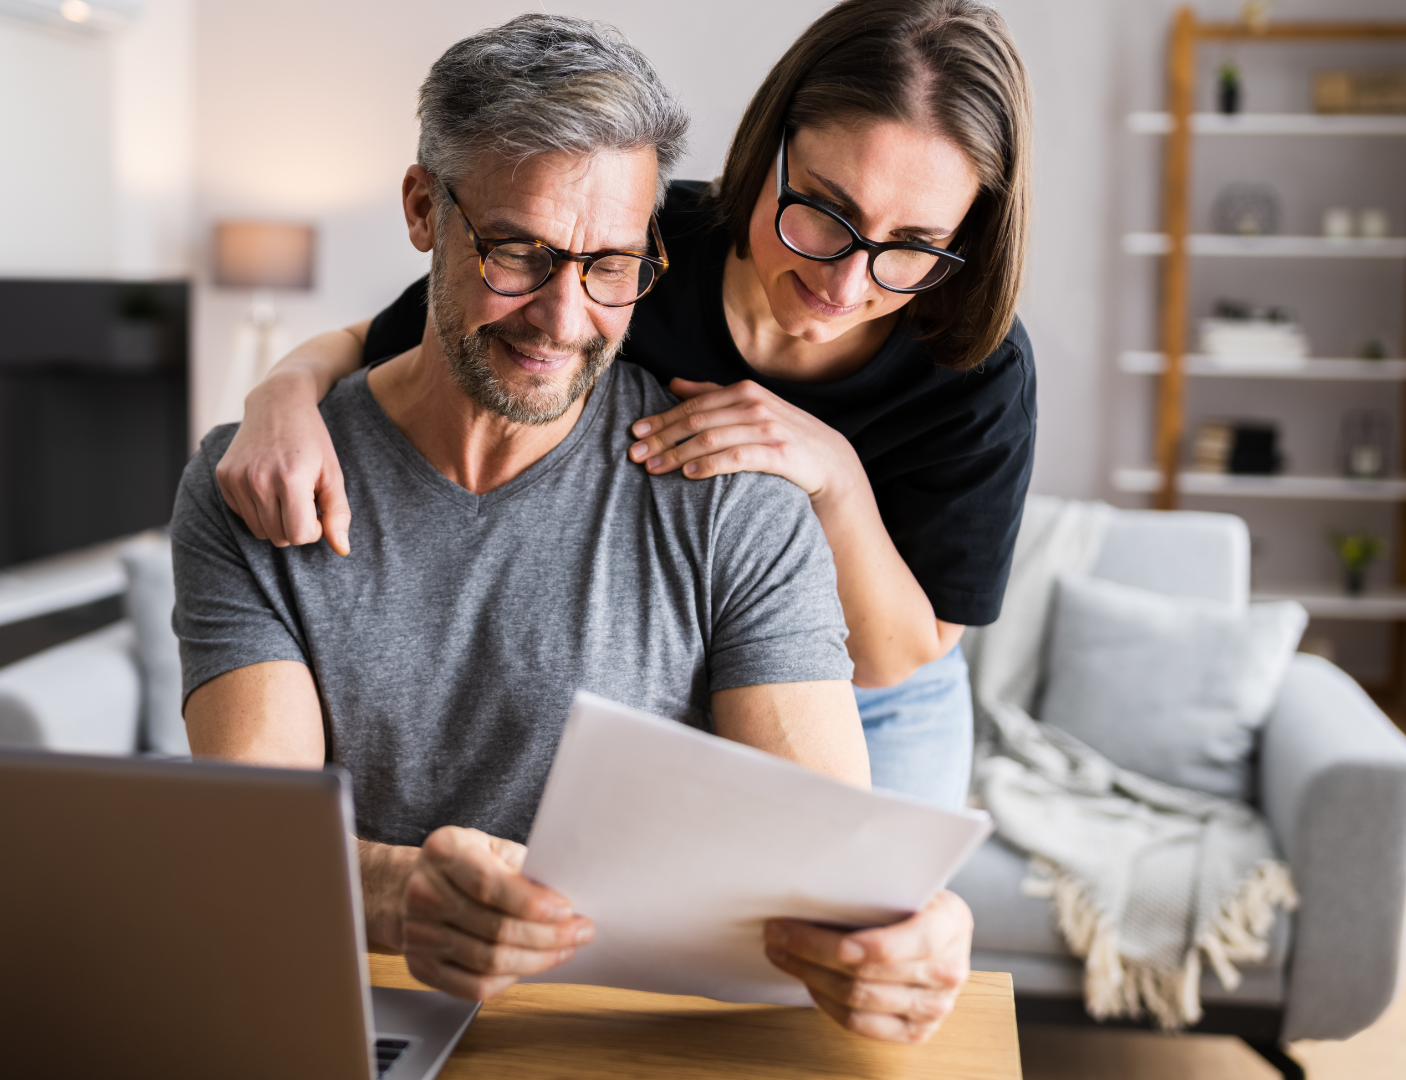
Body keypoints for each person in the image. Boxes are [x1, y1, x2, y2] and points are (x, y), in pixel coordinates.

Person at [176, 14, 972, 1045]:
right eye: (519, 252)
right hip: (354, 1025)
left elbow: (830, 870)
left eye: (612, 266)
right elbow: (249, 842)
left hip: (621, 1047)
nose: (562, 318)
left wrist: (924, 929)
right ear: (424, 210)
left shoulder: (736, 496)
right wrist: (394, 894)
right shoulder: (261, 484)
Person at [215, 0, 1036, 812]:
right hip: (696, 646)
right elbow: (386, 339)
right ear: (769, 150)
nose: (846, 283)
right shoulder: (622, 238)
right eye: (825, 213)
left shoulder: (975, 363)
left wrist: (837, 478)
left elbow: (901, 655)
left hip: (876, 692)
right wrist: (280, 394)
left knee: (868, 917)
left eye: (912, 248)